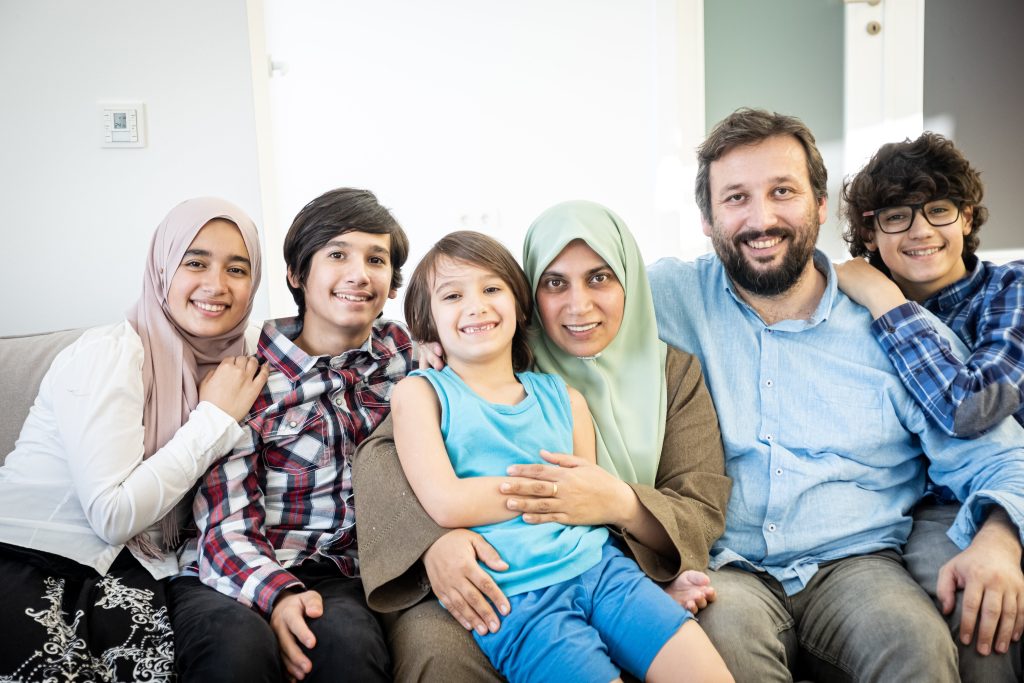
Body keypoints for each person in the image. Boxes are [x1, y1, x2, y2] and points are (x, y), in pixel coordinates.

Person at [647, 107, 1024, 682]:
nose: (762, 218)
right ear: (706, 217)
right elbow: (550, 305)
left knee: (915, 646)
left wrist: (1000, 539)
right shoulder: (667, 297)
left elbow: (999, 454)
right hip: (727, 569)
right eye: (736, 198)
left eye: (783, 192)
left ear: (820, 206)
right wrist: (456, 340)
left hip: (860, 563)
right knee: (717, 652)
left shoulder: (898, 328)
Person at [353, 204, 731, 681]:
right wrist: (435, 543)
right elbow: (395, 465)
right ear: (534, 294)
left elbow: (683, 506)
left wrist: (618, 509)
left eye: (600, 278)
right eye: (555, 282)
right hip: (517, 591)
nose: (578, 305)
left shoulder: (648, 379)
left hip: (610, 571)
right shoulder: (435, 383)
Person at [0, 197, 267, 681]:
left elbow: (322, 344)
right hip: (28, 560)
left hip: (137, 575)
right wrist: (212, 418)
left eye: (237, 268)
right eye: (196, 262)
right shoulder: (110, 355)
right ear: (162, 268)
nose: (216, 285)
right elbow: (113, 514)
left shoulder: (242, 359)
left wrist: (436, 349)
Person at [168, 188, 413, 683]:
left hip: (345, 573)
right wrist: (278, 592)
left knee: (347, 646)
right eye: (337, 254)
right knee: (235, 653)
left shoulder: (403, 358)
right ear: (296, 275)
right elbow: (224, 519)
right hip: (239, 566)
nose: (359, 274)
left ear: (391, 284)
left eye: (376, 259)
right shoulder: (250, 376)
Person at [837, 131, 1024, 437]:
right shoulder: (852, 313)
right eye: (897, 217)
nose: (921, 231)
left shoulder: (1013, 287)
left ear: (965, 218)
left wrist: (886, 301)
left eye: (938, 210)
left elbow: (970, 410)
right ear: (869, 234)